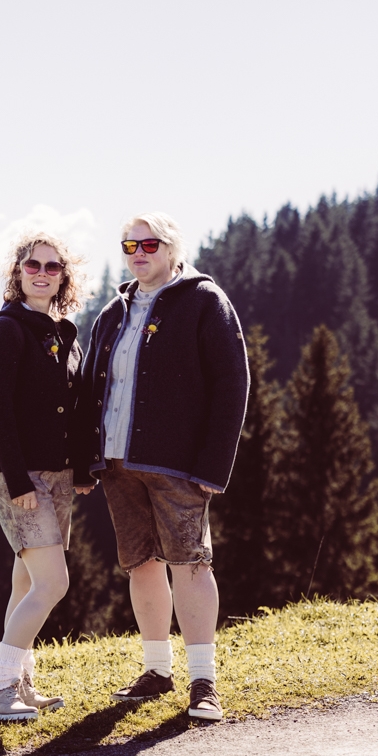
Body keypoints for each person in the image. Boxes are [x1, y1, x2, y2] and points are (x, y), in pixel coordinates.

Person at [76, 212, 249, 721]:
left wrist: (213, 466)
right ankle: (157, 670)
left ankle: (204, 683)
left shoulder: (204, 301)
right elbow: (93, 385)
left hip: (179, 464)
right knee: (141, 563)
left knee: (190, 562)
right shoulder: (114, 309)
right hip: (117, 460)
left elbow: (232, 384)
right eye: (130, 243)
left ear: (173, 249)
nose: (138, 251)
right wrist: (88, 461)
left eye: (150, 243)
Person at [0, 231, 92, 720]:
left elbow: (74, 408)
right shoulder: (6, 330)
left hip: (59, 475)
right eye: (32, 265)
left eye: (52, 266)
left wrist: (82, 468)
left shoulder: (63, 332)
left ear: (64, 276)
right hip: (21, 478)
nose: (42, 273)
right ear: (17, 273)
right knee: (52, 584)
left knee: (26, 583)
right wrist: (18, 479)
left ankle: (20, 685)